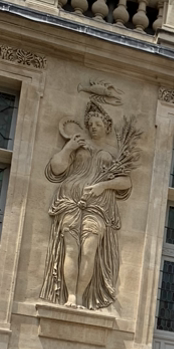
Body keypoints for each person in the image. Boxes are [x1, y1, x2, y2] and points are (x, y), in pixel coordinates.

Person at [41, 101, 134, 310]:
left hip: (98, 205)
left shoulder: (113, 153)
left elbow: (126, 182)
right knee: (71, 249)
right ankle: (71, 297)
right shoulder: (78, 144)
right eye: (90, 124)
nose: (93, 127)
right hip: (70, 200)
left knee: (89, 251)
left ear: (107, 126)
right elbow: (56, 168)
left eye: (98, 124)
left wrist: (103, 185)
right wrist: (69, 148)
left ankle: (81, 297)